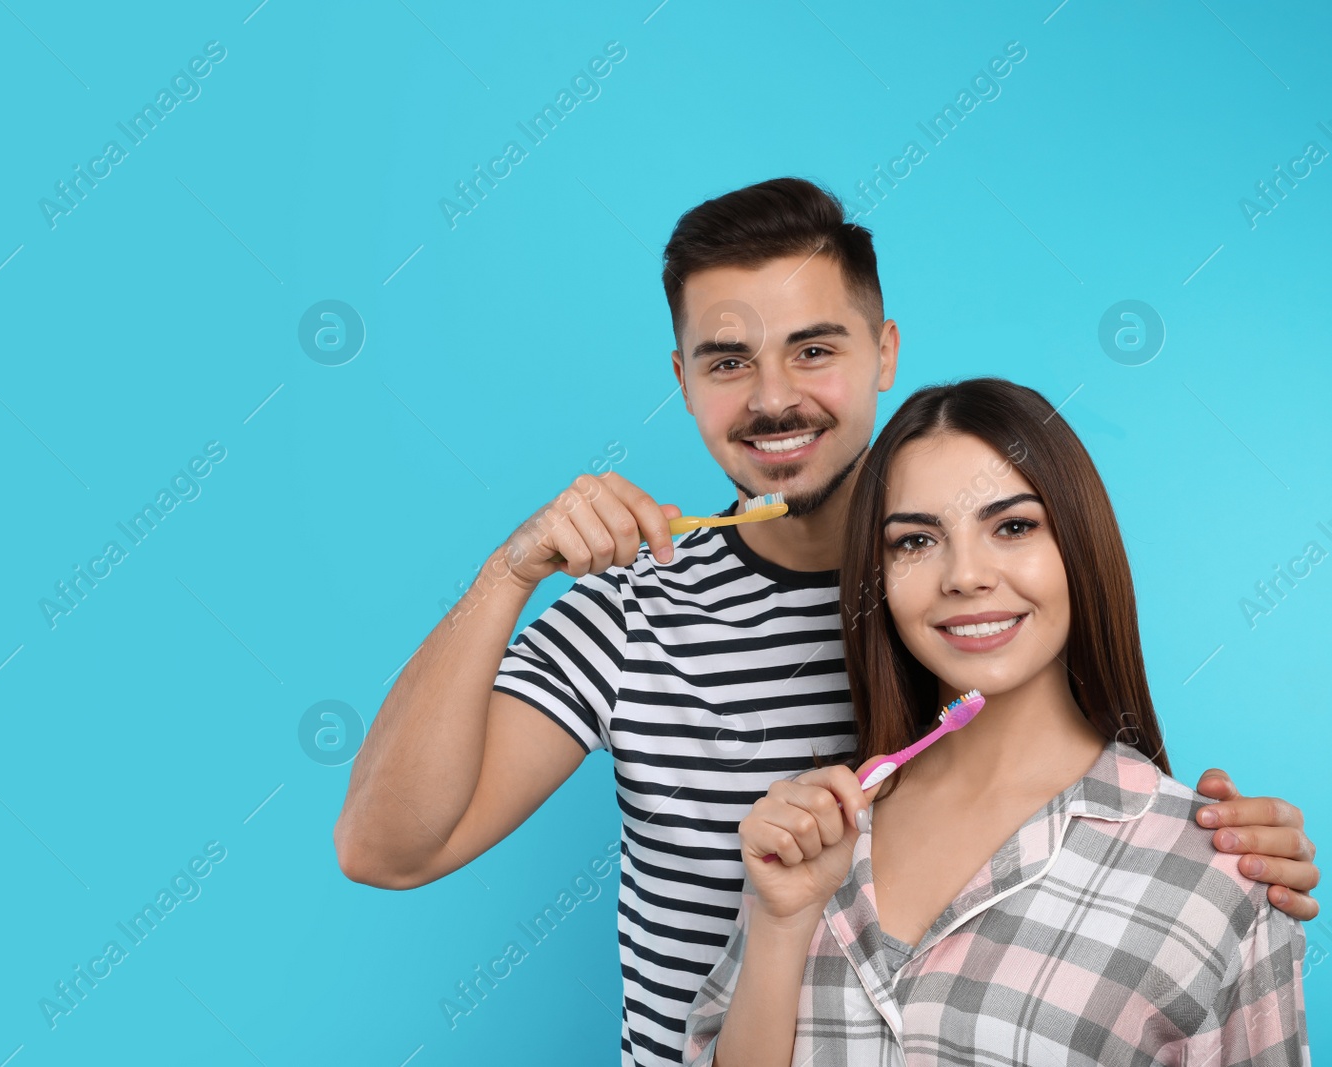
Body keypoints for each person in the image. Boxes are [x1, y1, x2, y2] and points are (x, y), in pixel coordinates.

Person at [333, 178, 1321, 1067]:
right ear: (681, 379)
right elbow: (386, 849)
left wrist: (1215, 856)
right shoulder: (627, 615)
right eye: (727, 361)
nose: (773, 397)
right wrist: (511, 572)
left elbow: (1083, 846)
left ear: (883, 350)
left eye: (814, 348)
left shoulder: (977, 612)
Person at [683, 378, 1310, 1067]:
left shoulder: (1217, 876)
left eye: (1012, 526)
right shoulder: (812, 828)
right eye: (916, 540)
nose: (965, 574)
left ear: (1077, 542)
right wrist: (779, 922)